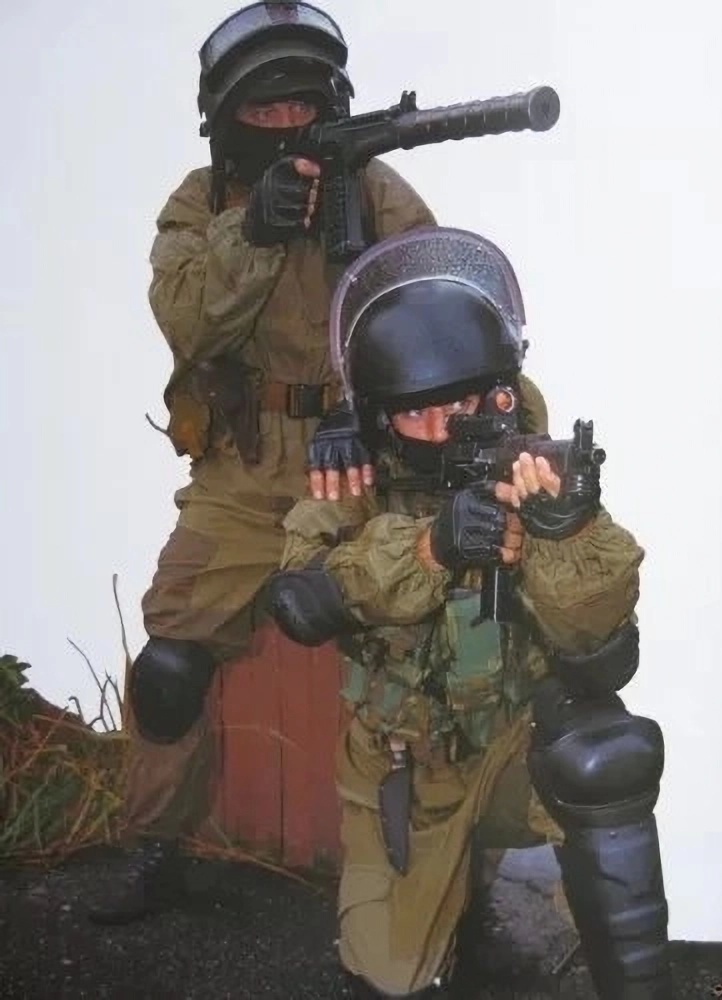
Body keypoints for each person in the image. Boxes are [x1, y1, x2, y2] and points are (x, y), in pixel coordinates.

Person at [89, 2, 435, 925]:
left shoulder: (378, 191)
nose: (285, 124)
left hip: (365, 460)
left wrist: (370, 414)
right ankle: (158, 849)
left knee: (430, 647)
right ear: (226, 116)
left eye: (301, 106)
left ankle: (442, 873)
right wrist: (257, 231)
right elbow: (189, 323)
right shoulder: (201, 205)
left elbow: (432, 312)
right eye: (263, 109)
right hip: (244, 470)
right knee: (169, 663)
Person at [268, 227, 672, 998]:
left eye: (461, 403)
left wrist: (561, 533)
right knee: (391, 978)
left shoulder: (533, 470)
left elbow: (604, 650)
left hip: (519, 742)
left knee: (607, 754)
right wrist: (428, 549)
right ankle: (457, 895)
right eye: (416, 413)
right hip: (407, 763)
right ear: (380, 416)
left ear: (497, 392)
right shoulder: (354, 482)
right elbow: (297, 598)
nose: (442, 428)